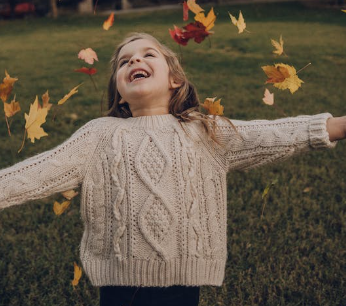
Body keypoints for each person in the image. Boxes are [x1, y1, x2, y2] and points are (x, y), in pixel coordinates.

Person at [0, 32, 345, 306]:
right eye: (124, 61)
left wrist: (338, 126)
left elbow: (272, 135)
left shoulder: (203, 130)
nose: (135, 59)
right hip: (120, 285)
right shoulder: (99, 134)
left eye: (148, 54)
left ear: (175, 80)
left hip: (182, 282)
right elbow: (37, 173)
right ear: (120, 93)